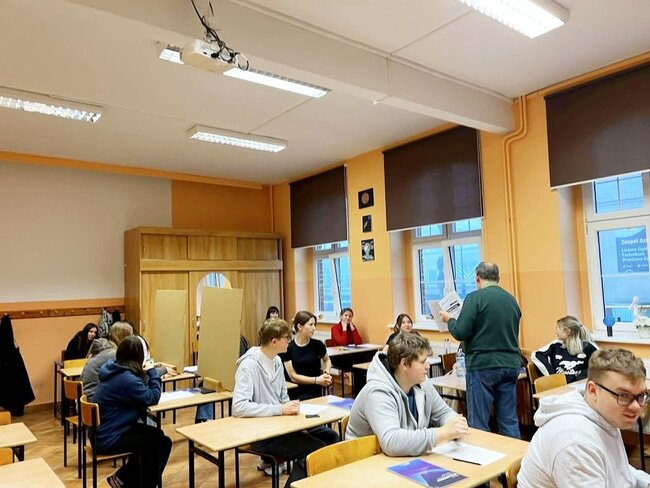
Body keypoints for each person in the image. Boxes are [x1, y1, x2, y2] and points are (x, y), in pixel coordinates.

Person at [518, 348, 650, 488]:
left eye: (641, 395)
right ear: (593, 390)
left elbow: (619, 470)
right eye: (623, 395)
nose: (636, 406)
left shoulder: (604, 414)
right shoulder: (576, 441)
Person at [232, 318, 339, 487]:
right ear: (274, 342)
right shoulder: (248, 366)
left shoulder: (276, 361)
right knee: (314, 449)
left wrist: (291, 410)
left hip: (281, 425)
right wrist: (280, 409)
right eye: (286, 338)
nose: (289, 341)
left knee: (332, 437)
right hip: (262, 433)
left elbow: (283, 397)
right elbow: (239, 407)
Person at [346, 332, 469, 455]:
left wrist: (455, 424)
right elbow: (392, 442)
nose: (428, 366)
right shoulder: (377, 392)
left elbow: (443, 413)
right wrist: (442, 433)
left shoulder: (422, 382)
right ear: (404, 364)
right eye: (422, 362)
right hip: (364, 460)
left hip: (401, 458)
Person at [440, 261, 521, 439]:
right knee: (509, 420)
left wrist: (450, 320)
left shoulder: (474, 298)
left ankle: (481, 455)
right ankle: (516, 455)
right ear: (498, 278)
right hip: (510, 365)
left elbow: (461, 332)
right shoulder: (511, 300)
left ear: (477, 278)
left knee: (479, 422)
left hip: (482, 365)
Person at [94, 336, 172, 488]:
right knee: (159, 444)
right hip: (111, 436)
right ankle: (141, 484)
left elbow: (138, 388)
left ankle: (122, 479)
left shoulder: (114, 368)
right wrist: (153, 372)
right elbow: (152, 397)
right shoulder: (126, 378)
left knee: (158, 436)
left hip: (106, 430)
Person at [282, 311, 332, 400]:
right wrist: (316, 380)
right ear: (299, 326)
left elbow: (327, 360)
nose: (314, 328)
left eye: (314, 325)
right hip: (296, 393)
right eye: (311, 324)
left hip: (315, 391)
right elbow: (293, 376)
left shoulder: (318, 345)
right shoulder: (288, 349)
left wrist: (326, 371)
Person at [532, 315, 598, 383]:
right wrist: (552, 375)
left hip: (581, 386)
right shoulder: (556, 345)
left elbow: (601, 365)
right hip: (561, 387)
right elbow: (536, 355)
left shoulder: (588, 347)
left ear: (568, 332)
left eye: (558, 329)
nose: (556, 332)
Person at [81, 321, 134, 401]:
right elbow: (128, 379)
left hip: (88, 397)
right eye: (131, 336)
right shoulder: (114, 354)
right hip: (96, 400)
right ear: (124, 338)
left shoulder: (106, 348)